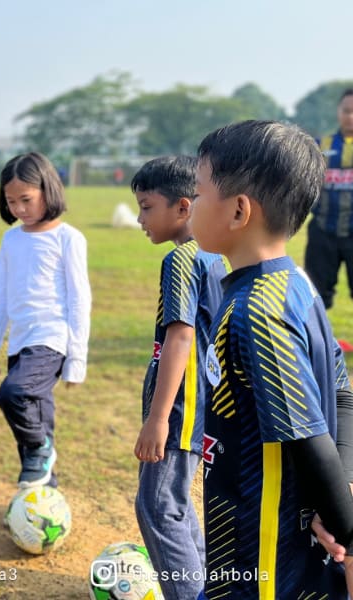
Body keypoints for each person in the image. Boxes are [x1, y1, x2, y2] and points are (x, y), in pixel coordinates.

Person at [191, 120, 353, 599]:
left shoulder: (257, 311)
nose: (192, 204)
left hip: (260, 555)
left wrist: (350, 535)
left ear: (239, 210)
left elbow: (308, 439)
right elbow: (342, 394)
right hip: (277, 549)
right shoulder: (295, 284)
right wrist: (340, 495)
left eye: (198, 193)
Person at [130, 156, 226, 600]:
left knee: (157, 507)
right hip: (201, 406)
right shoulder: (214, 255)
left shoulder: (182, 261)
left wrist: (158, 418)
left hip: (182, 409)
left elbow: (181, 339)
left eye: (147, 207)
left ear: (183, 207)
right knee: (177, 506)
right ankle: (208, 588)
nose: (139, 218)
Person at [0, 152, 90, 488]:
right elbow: (2, 297)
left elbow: (80, 299)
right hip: (20, 341)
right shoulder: (12, 238)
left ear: (48, 190)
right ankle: (44, 494)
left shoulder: (68, 238)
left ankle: (39, 448)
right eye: (11, 202)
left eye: (26, 199)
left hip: (51, 339)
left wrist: (76, 361)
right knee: (38, 420)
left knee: (13, 394)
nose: (19, 209)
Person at [304, 89, 353, 318]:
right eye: (346, 111)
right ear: (338, 112)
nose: (350, 117)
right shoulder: (319, 146)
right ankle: (318, 346)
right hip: (323, 232)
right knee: (315, 296)